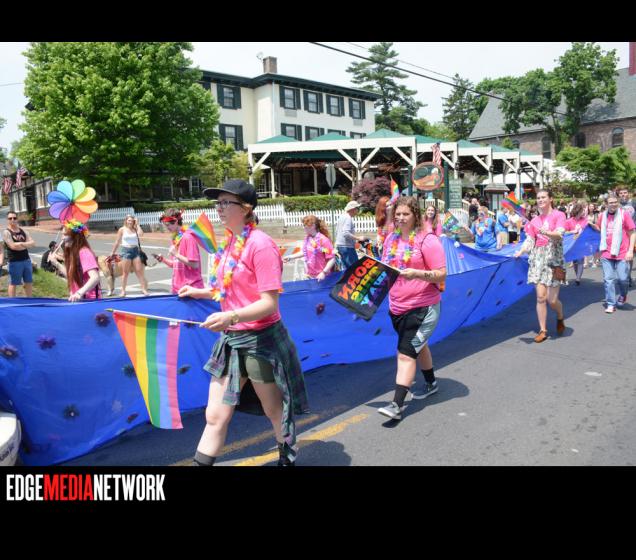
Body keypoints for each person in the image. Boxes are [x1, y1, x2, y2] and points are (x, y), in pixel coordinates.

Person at [178, 179, 309, 467]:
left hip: (260, 341)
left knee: (273, 410)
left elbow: (269, 303)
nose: (219, 208)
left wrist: (231, 316)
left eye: (226, 203)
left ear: (246, 208)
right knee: (215, 416)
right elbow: (227, 288)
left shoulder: (261, 245)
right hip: (231, 340)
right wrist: (201, 292)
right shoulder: (230, 242)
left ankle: (287, 457)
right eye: (218, 203)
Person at [377, 196, 447, 421]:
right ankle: (431, 383)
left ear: (415, 215)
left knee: (406, 353)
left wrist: (417, 273)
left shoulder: (428, 240)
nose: (400, 218)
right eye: (397, 214)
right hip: (397, 306)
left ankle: (396, 405)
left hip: (423, 307)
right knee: (419, 345)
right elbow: (386, 267)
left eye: (405, 214)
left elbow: (441, 274)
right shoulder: (391, 238)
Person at [513, 188, 567, 342]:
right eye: (538, 198)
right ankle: (543, 330)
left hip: (555, 259)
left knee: (552, 300)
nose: (540, 200)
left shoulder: (559, 215)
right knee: (541, 297)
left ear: (550, 199)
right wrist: (521, 251)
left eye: (543, 197)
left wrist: (547, 232)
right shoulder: (534, 221)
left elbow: (559, 235)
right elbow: (530, 240)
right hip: (538, 259)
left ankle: (560, 315)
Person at [598, 192, 636, 313]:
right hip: (606, 252)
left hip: (622, 252)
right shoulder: (602, 216)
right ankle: (611, 303)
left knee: (623, 279)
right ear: (606, 204)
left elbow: (632, 232)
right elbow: (599, 230)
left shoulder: (624, 215)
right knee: (608, 279)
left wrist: (630, 250)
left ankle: (623, 295)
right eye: (611, 202)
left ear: (618, 202)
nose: (613, 204)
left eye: (615, 202)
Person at [48, 220, 102, 301]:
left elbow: (95, 277)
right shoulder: (72, 252)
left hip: (89, 300)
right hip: (78, 299)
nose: (62, 238)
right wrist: (56, 263)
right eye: (62, 234)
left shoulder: (84, 252)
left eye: (65, 234)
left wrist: (79, 293)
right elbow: (71, 275)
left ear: (75, 236)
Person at [156, 208, 204, 294]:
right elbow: (175, 264)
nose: (166, 227)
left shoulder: (188, 237)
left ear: (176, 221)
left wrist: (177, 254)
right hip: (176, 288)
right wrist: (163, 259)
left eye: (168, 225)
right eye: (165, 225)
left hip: (191, 287)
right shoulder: (175, 238)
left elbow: (195, 264)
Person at [284, 214, 336, 281]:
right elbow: (304, 252)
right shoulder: (308, 238)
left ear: (313, 226)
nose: (303, 227)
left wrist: (323, 272)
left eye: (305, 225)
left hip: (322, 277)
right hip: (310, 275)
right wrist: (290, 257)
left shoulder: (323, 240)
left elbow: (332, 259)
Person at [109, 214, 150, 297]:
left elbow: (141, 234)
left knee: (139, 271)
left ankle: (143, 289)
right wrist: (112, 252)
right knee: (125, 273)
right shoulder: (122, 229)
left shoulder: (135, 229)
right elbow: (117, 241)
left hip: (136, 251)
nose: (130, 222)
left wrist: (137, 224)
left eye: (132, 220)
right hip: (126, 251)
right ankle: (123, 291)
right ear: (126, 221)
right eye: (129, 220)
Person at [2, 211, 35, 297]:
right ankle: (12, 301)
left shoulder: (23, 231)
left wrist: (20, 244)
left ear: (17, 219)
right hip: (14, 261)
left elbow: (33, 243)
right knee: (13, 283)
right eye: (10, 218)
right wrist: (26, 244)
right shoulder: (6, 232)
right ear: (7, 220)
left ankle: (29, 299)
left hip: (26, 260)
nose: (12, 220)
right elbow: (12, 246)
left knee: (28, 281)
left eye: (14, 218)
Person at [335, 200, 367, 269]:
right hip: (347, 247)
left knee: (346, 269)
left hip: (340, 246)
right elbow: (346, 233)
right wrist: (358, 238)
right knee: (354, 269)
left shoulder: (342, 217)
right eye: (357, 208)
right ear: (353, 209)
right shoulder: (348, 218)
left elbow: (337, 231)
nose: (358, 210)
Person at [564, 201, 589, 286]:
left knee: (580, 260)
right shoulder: (569, 221)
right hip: (572, 243)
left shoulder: (584, 220)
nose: (583, 212)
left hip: (581, 243)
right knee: (575, 261)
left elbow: (586, 229)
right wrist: (572, 231)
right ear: (578, 211)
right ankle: (577, 275)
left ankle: (578, 278)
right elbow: (565, 232)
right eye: (582, 210)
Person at [617, 186, 635, 287]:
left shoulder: (633, 203)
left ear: (628, 193)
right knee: (621, 255)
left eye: (625, 192)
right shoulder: (616, 205)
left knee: (630, 255)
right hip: (620, 233)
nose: (623, 194)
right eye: (621, 193)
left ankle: (628, 275)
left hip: (632, 233)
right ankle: (624, 275)